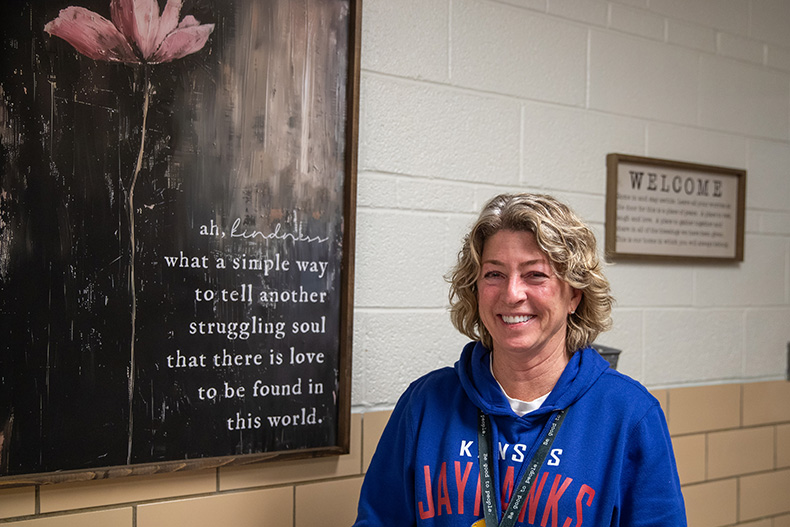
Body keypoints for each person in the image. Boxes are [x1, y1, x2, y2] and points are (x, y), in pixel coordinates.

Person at [354, 193, 686, 526]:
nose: (512, 294)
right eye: (494, 274)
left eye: (535, 275)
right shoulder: (425, 403)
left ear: (574, 294)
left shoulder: (628, 414)